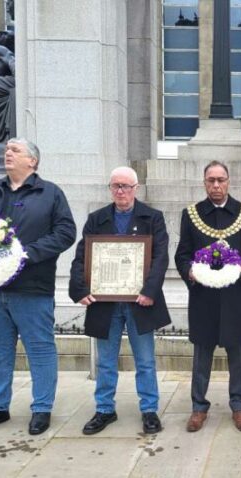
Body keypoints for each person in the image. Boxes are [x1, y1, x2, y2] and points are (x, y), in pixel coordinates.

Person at [0, 138, 76, 436]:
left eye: (15, 151)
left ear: (32, 161)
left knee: (40, 349)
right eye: (7, 151)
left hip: (32, 288)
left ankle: (42, 408)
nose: (8, 154)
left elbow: (65, 233)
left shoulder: (49, 193)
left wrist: (26, 253)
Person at [68, 166, 171, 435]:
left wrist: (150, 290)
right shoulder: (96, 218)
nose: (120, 191)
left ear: (136, 188)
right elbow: (82, 257)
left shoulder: (153, 217)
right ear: (110, 189)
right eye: (115, 186)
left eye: (126, 186)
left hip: (140, 302)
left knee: (145, 360)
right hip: (106, 302)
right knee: (105, 360)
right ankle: (104, 409)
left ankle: (149, 410)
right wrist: (79, 289)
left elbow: (160, 257)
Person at [174, 161, 241, 433]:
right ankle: (198, 407)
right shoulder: (191, 214)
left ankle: (239, 406)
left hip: (235, 296)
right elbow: (182, 254)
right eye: (211, 180)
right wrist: (190, 271)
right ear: (204, 182)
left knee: (237, 354)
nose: (216, 185)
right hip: (203, 297)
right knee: (202, 353)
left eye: (221, 179)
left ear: (229, 181)